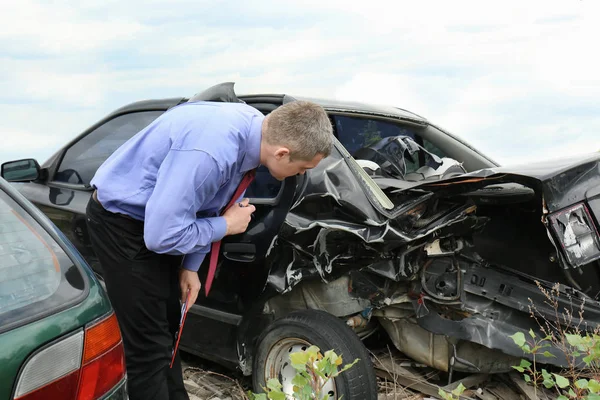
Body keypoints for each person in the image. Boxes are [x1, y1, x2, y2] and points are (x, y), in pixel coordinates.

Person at [85, 99, 333, 400]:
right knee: (148, 347)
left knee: (169, 331)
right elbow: (161, 236)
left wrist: (191, 266)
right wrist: (227, 226)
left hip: (160, 224)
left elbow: (206, 204)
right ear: (283, 153)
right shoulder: (212, 152)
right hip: (122, 225)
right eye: (302, 168)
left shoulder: (257, 132)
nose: (299, 175)